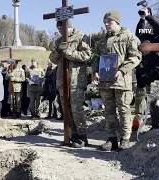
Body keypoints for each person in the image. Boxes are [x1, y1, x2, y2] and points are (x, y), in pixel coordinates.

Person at [92, 10, 142, 151]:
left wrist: (122, 70)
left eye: (110, 22)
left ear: (117, 22)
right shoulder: (101, 42)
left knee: (124, 110)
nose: (107, 25)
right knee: (108, 111)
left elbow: (135, 57)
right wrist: (95, 72)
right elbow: (95, 59)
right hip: (105, 82)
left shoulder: (128, 37)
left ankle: (125, 139)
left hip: (122, 82)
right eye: (105, 22)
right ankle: (111, 139)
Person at [49, 19, 92, 148]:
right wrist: (58, 50)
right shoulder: (58, 40)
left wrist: (68, 53)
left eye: (62, 29)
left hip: (76, 79)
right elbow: (53, 59)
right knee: (66, 109)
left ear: (69, 27)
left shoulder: (80, 36)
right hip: (62, 80)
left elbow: (87, 55)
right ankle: (71, 135)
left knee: (76, 109)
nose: (60, 32)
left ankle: (82, 136)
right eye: (58, 30)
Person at [134, 8, 159, 129]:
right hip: (151, 73)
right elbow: (139, 34)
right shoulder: (150, 36)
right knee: (153, 101)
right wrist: (142, 19)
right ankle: (155, 125)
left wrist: (150, 17)